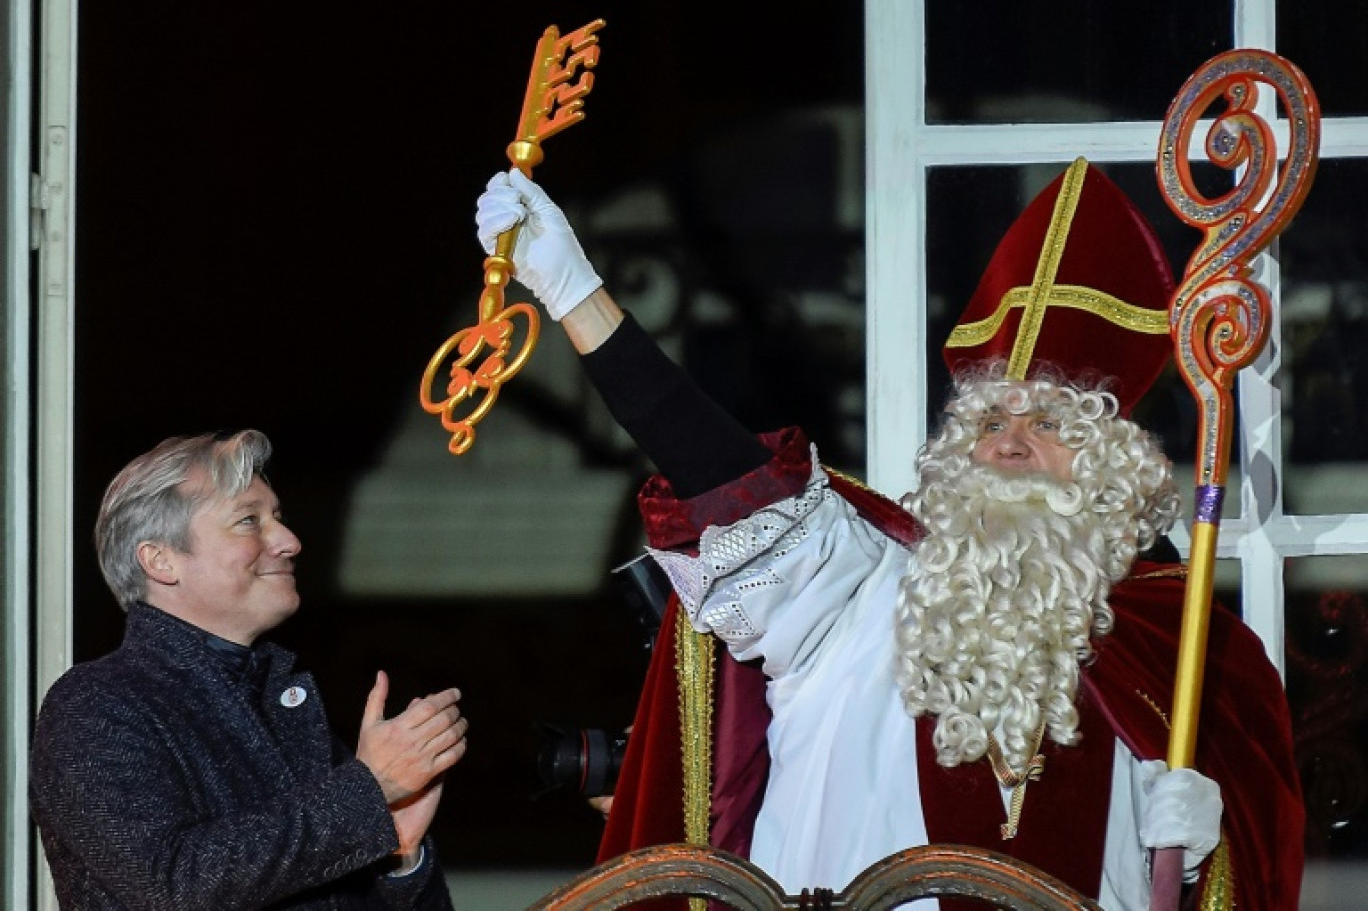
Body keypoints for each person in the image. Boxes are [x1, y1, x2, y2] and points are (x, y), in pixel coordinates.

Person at [472, 161, 1304, 909]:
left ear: (1110, 467)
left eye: (1051, 422)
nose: (1009, 442)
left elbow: (1236, 885)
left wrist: (1203, 861)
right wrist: (576, 292)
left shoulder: (1181, 658)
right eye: (989, 421)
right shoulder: (854, 585)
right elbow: (721, 475)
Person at [30, 430, 465, 910]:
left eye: (277, 517)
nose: (289, 541)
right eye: (247, 521)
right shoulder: (96, 705)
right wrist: (366, 790)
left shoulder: (285, 706)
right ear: (160, 560)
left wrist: (400, 860)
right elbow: (170, 885)